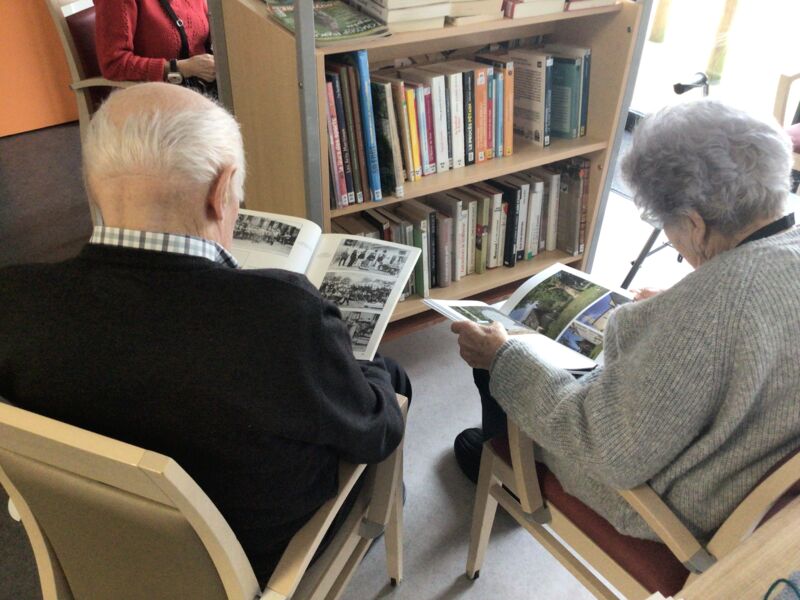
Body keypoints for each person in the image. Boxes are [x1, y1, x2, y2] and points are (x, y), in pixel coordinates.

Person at [0, 83, 410, 585]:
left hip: (92, 548)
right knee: (390, 380)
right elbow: (376, 432)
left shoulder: (14, 300)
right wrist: (366, 367)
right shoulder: (285, 317)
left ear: (93, 183)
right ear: (221, 190)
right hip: (252, 566)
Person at [450, 99, 800, 544]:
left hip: (677, 508)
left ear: (694, 224)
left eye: (669, 228)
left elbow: (609, 451)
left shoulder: (713, 307)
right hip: (759, 478)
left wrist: (504, 358)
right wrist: (680, 305)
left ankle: (514, 475)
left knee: (495, 357)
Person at [95, 0, 216, 87]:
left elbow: (206, 29)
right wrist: (179, 67)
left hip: (203, 86)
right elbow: (114, 65)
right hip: (156, 97)